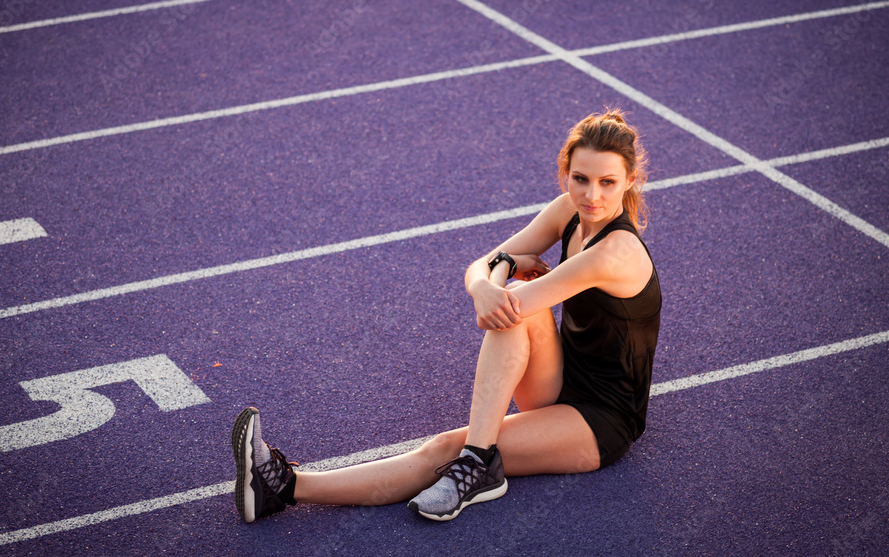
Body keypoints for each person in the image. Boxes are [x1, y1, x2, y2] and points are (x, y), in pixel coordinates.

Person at [231, 110, 662, 523]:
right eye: (580, 179)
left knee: (445, 449)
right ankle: (479, 461)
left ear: (629, 181)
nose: (592, 195)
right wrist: (495, 276)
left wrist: (503, 270)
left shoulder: (613, 253)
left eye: (608, 182)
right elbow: (482, 271)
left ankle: (287, 488)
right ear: (565, 172)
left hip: (601, 419)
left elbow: (507, 306)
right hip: (562, 378)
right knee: (508, 297)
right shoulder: (569, 211)